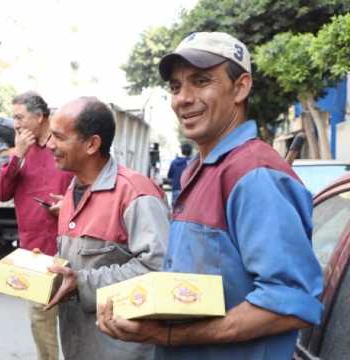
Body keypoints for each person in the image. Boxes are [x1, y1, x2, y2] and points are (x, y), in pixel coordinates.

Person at [97, 32, 323, 360]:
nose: (183, 99)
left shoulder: (254, 174)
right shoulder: (196, 170)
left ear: (241, 87)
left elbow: (291, 305)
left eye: (201, 81)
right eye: (175, 87)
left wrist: (172, 335)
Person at [45, 97, 170, 360]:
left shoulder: (136, 193)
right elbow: (77, 264)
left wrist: (81, 283)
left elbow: (158, 269)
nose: (49, 145)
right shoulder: (72, 191)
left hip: (122, 350)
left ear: (92, 144)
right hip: (79, 345)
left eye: (58, 137)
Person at [0, 91, 74, 360]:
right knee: (40, 319)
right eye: (13, 117)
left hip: (70, 247)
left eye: (20, 117)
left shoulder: (64, 145)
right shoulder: (19, 152)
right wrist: (17, 155)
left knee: (75, 320)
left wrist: (69, 205)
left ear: (40, 117)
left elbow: (89, 187)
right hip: (34, 251)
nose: (15, 124)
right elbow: (3, 193)